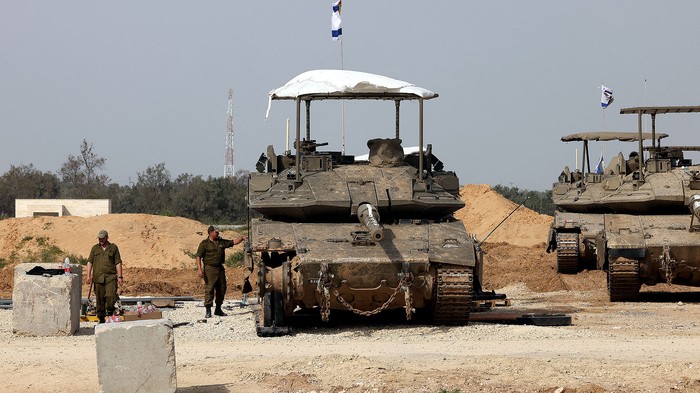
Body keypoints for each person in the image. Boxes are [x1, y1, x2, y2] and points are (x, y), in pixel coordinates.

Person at [196, 225, 248, 318]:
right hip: (209, 268)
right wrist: (199, 269)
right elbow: (198, 256)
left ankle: (218, 309)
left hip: (220, 268)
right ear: (210, 232)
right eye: (216, 232)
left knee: (222, 288)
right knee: (209, 289)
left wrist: (242, 238)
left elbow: (233, 242)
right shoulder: (204, 244)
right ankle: (208, 309)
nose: (218, 233)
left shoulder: (221, 242)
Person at [86, 230, 123, 324]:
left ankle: (110, 314)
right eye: (99, 238)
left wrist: (120, 277)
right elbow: (90, 262)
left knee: (110, 296)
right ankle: (101, 319)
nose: (101, 240)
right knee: (100, 299)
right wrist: (88, 276)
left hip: (110, 278)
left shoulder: (113, 248)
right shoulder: (95, 249)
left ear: (107, 237)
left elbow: (118, 262)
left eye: (102, 238)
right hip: (98, 278)